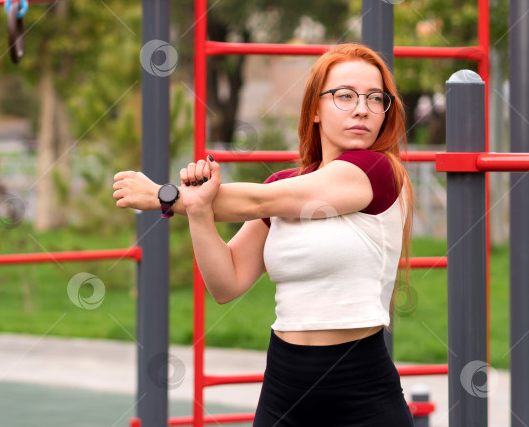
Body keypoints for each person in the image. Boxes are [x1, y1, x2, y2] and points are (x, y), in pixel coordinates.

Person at [112, 43, 415, 426]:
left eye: (376, 98)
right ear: (315, 109)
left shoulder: (378, 171)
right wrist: (198, 211)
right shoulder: (283, 188)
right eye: (345, 96)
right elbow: (227, 284)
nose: (361, 108)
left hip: (361, 388)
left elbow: (256, 200)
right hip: (284, 386)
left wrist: (163, 195)